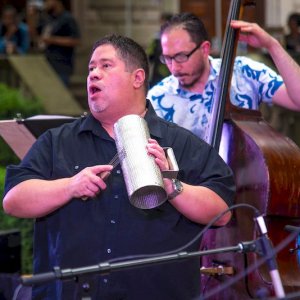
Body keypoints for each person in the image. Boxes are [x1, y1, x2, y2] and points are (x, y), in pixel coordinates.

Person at [3, 34, 235, 299]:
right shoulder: (58, 141)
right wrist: (69, 186)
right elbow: (13, 200)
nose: (93, 75)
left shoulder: (181, 143)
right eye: (91, 68)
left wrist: (172, 185)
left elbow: (223, 212)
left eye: (105, 66)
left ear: (137, 78)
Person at [147, 12, 300, 141]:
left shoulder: (245, 72)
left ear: (205, 49)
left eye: (181, 56)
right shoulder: (157, 98)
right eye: (167, 58)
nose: (174, 67)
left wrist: (272, 45)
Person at [36, 0, 80, 86]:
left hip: (62, 65)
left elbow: (76, 41)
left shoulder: (68, 18)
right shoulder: (48, 19)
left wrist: (52, 40)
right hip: (48, 63)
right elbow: (35, 35)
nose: (45, 4)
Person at [147, 12, 172, 87]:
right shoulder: (156, 38)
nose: (162, 25)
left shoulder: (176, 38)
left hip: (171, 73)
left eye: (165, 22)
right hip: (157, 74)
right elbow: (149, 55)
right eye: (162, 22)